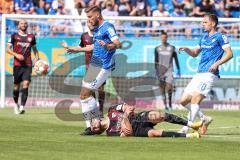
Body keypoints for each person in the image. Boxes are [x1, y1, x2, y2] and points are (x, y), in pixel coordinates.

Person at [69, 5, 122, 135]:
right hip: (94, 65)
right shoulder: (97, 29)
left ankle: (98, 120)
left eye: (90, 17)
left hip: (104, 66)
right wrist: (76, 49)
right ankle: (90, 126)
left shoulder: (108, 27)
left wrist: (109, 46)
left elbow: (118, 43)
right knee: (83, 95)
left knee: (87, 94)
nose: (89, 20)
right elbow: (93, 46)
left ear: (97, 15)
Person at [178, 13, 233, 135]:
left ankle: (187, 127)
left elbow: (229, 54)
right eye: (202, 22)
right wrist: (186, 48)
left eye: (205, 22)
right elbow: (195, 53)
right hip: (199, 74)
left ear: (212, 23)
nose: (202, 24)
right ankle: (204, 118)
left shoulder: (220, 37)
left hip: (209, 74)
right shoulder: (203, 38)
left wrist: (216, 63)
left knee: (195, 100)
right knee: (183, 101)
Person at [60, 20, 106, 118]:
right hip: (89, 67)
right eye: (89, 23)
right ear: (87, 25)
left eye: (93, 23)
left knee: (101, 90)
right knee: (90, 90)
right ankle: (94, 111)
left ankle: (101, 110)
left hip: (101, 66)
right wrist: (69, 48)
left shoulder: (100, 35)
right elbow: (79, 47)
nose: (91, 24)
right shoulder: (84, 36)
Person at [90, 103, 201, 138]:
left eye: (92, 124)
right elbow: (129, 133)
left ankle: (191, 124)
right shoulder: (110, 132)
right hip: (138, 131)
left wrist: (127, 112)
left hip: (140, 117)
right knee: (155, 133)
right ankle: (189, 136)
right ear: (97, 132)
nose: (94, 126)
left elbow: (128, 108)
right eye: (93, 129)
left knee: (159, 115)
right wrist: (125, 118)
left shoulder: (111, 111)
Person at [6, 20, 40, 114]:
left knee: (26, 84)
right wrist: (16, 55)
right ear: (18, 26)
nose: (23, 25)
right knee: (16, 86)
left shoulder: (31, 37)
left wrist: (36, 59)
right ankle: (16, 104)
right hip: (17, 65)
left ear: (27, 25)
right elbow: (7, 49)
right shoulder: (14, 36)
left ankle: (22, 107)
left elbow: (35, 50)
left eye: (25, 23)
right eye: (21, 23)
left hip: (27, 65)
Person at [154, 31, 180, 111]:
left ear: (167, 38)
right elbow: (156, 60)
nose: (163, 39)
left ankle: (170, 105)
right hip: (160, 71)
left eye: (165, 37)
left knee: (169, 88)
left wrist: (178, 69)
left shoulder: (172, 48)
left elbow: (175, 58)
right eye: (162, 37)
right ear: (161, 38)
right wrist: (156, 71)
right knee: (162, 89)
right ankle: (165, 106)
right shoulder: (157, 48)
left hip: (169, 70)